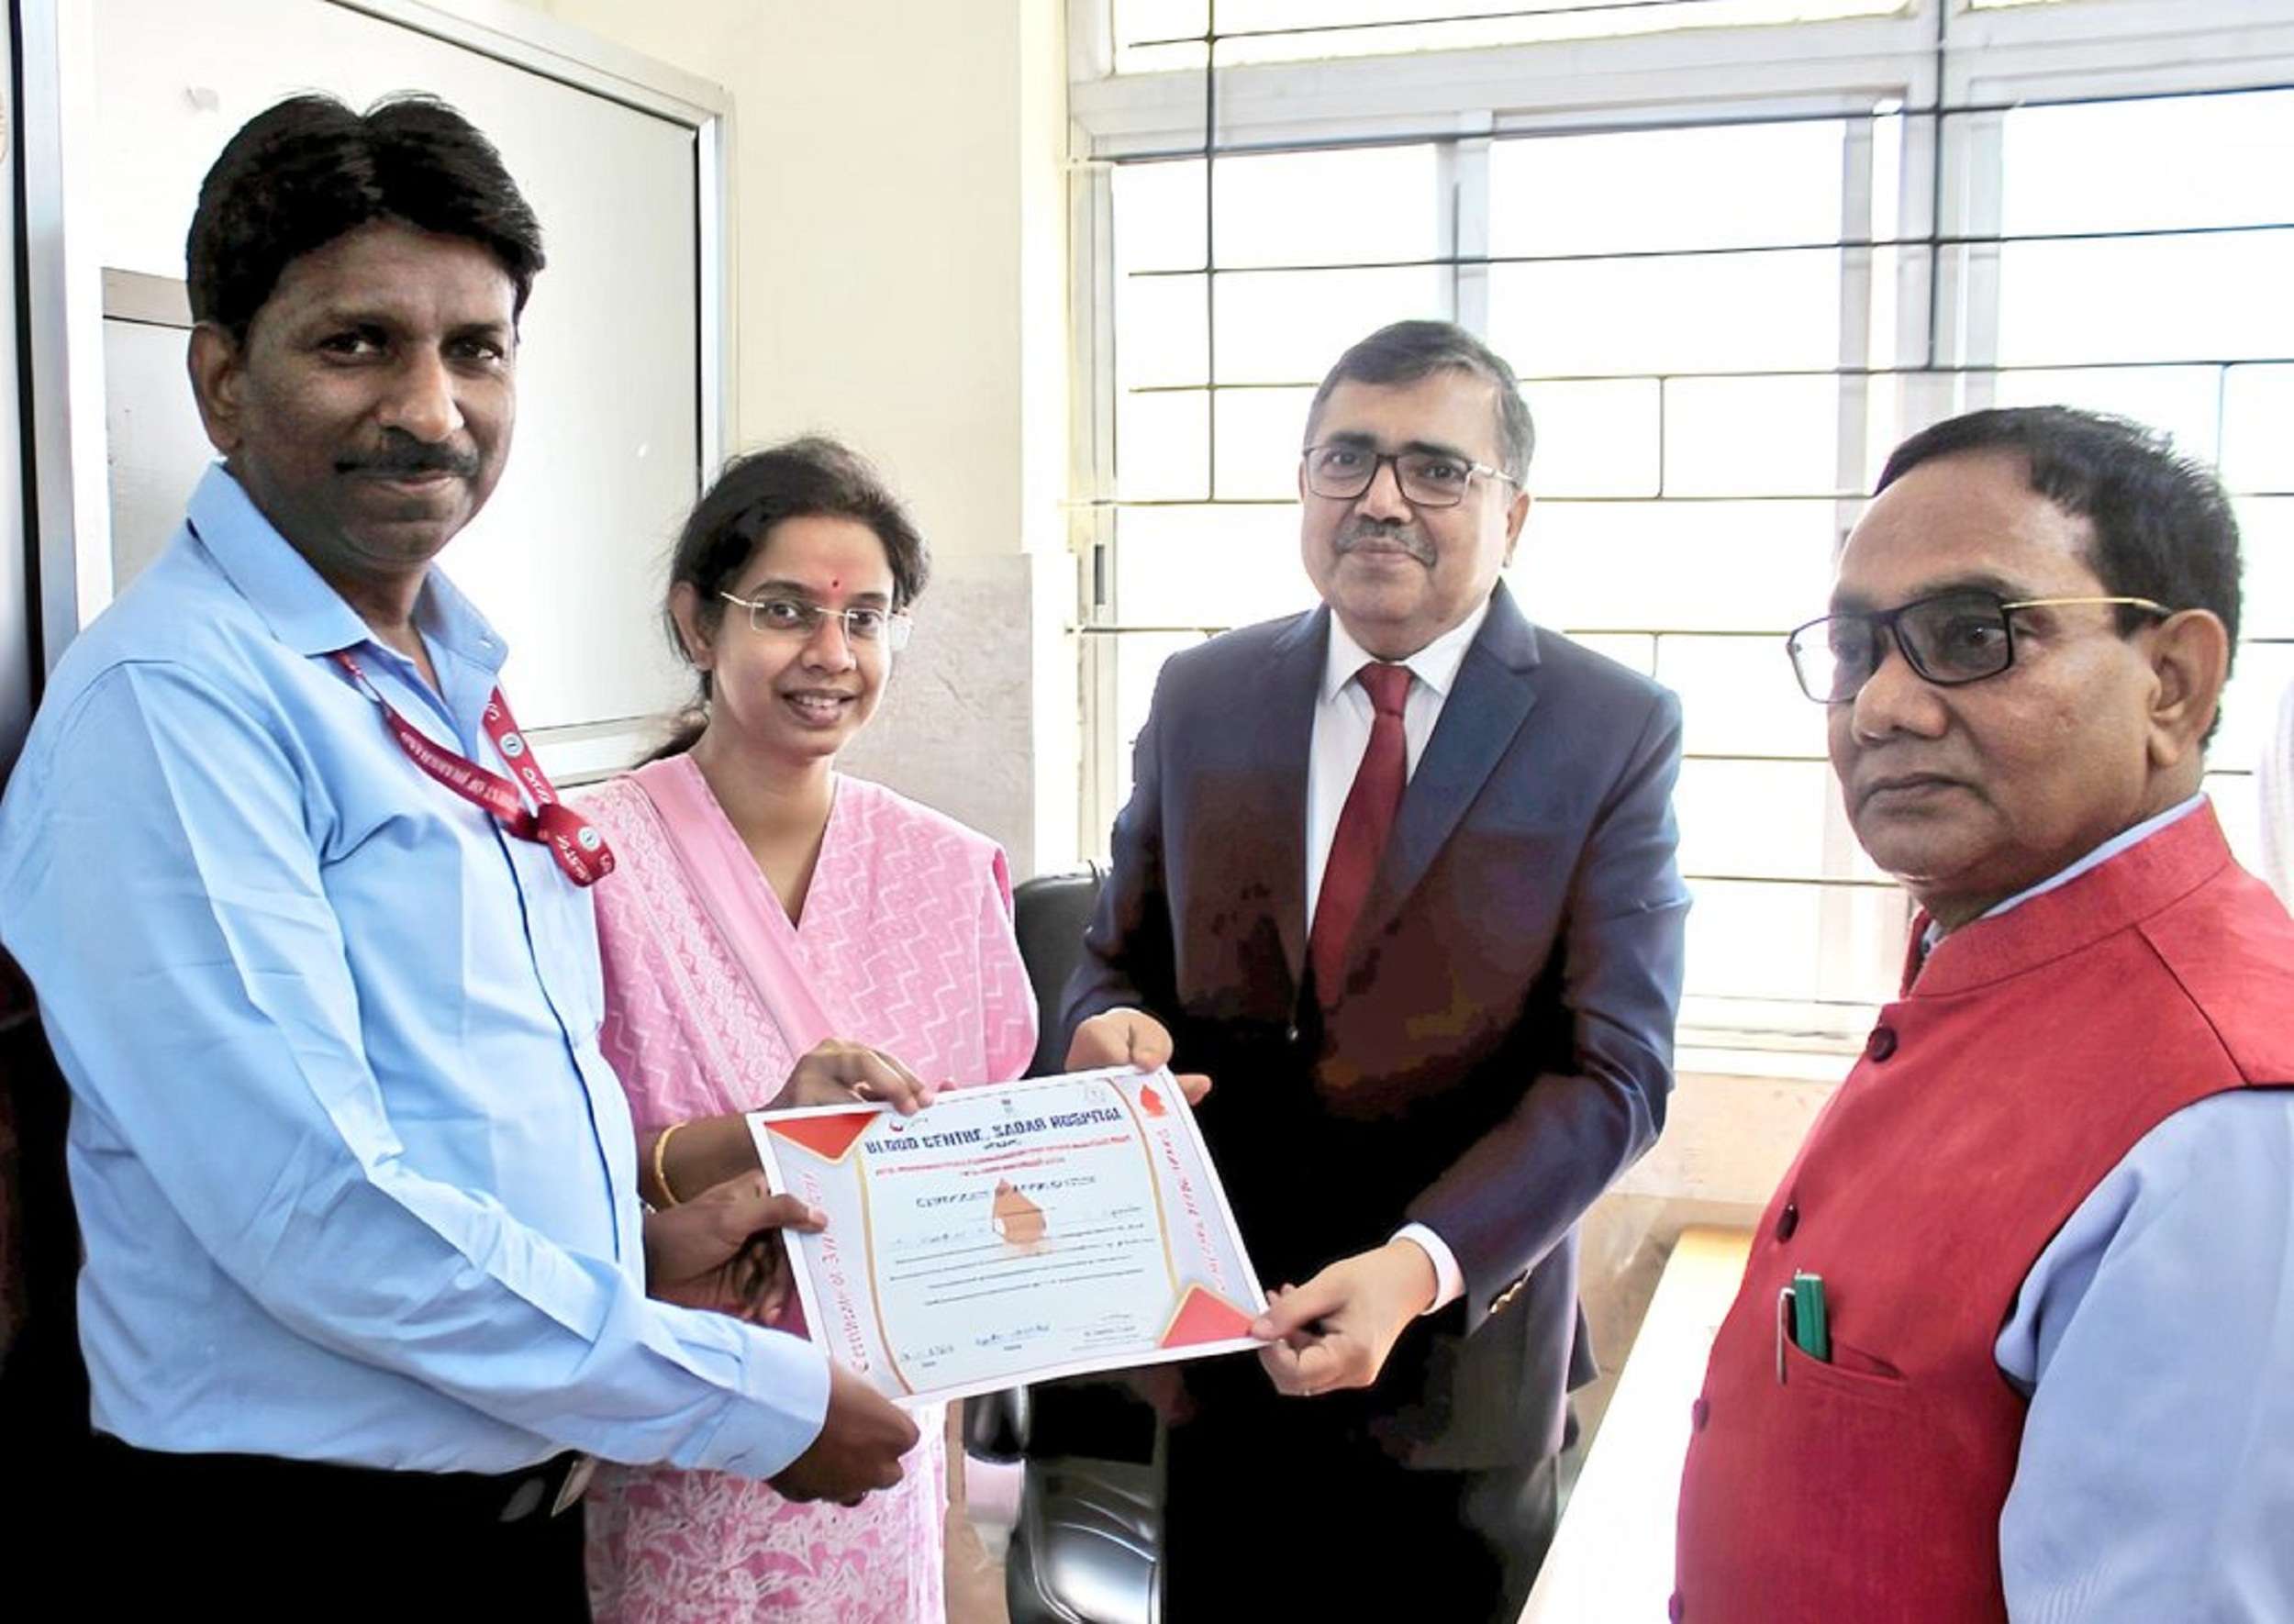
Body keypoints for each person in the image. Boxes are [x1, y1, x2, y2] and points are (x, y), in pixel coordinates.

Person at [0, 95, 918, 1608]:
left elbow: (459, 1102)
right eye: (358, 343)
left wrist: (633, 1243)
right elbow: (312, 1211)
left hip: (503, 1506)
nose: (432, 410)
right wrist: (750, 1399)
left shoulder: (440, 677)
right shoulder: (176, 708)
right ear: (222, 382)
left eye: (477, 349)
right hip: (294, 1534)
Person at [1063, 318, 1689, 1620]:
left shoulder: (1611, 726)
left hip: (1458, 1377)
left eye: (1437, 469)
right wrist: (1107, 1026)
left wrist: (1416, 1267)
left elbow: (1617, 1071)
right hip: (1223, 1348)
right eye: (1346, 459)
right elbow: (1115, 958)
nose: (1383, 499)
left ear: (1514, 511)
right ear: (1305, 484)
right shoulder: (1203, 694)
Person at [1675, 406, 2294, 1620]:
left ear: (2174, 683)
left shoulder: (2226, 1123)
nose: (1882, 707)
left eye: (1972, 635)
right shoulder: (1989, 949)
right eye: (1857, 650)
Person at [576, 437, 1038, 1621]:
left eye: (866, 619)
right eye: (785, 610)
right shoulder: (579, 867)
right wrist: (757, 1137)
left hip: (885, 1462)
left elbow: (984, 1206)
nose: (831, 654)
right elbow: (540, 1182)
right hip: (681, 1439)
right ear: (697, 622)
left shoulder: (950, 876)